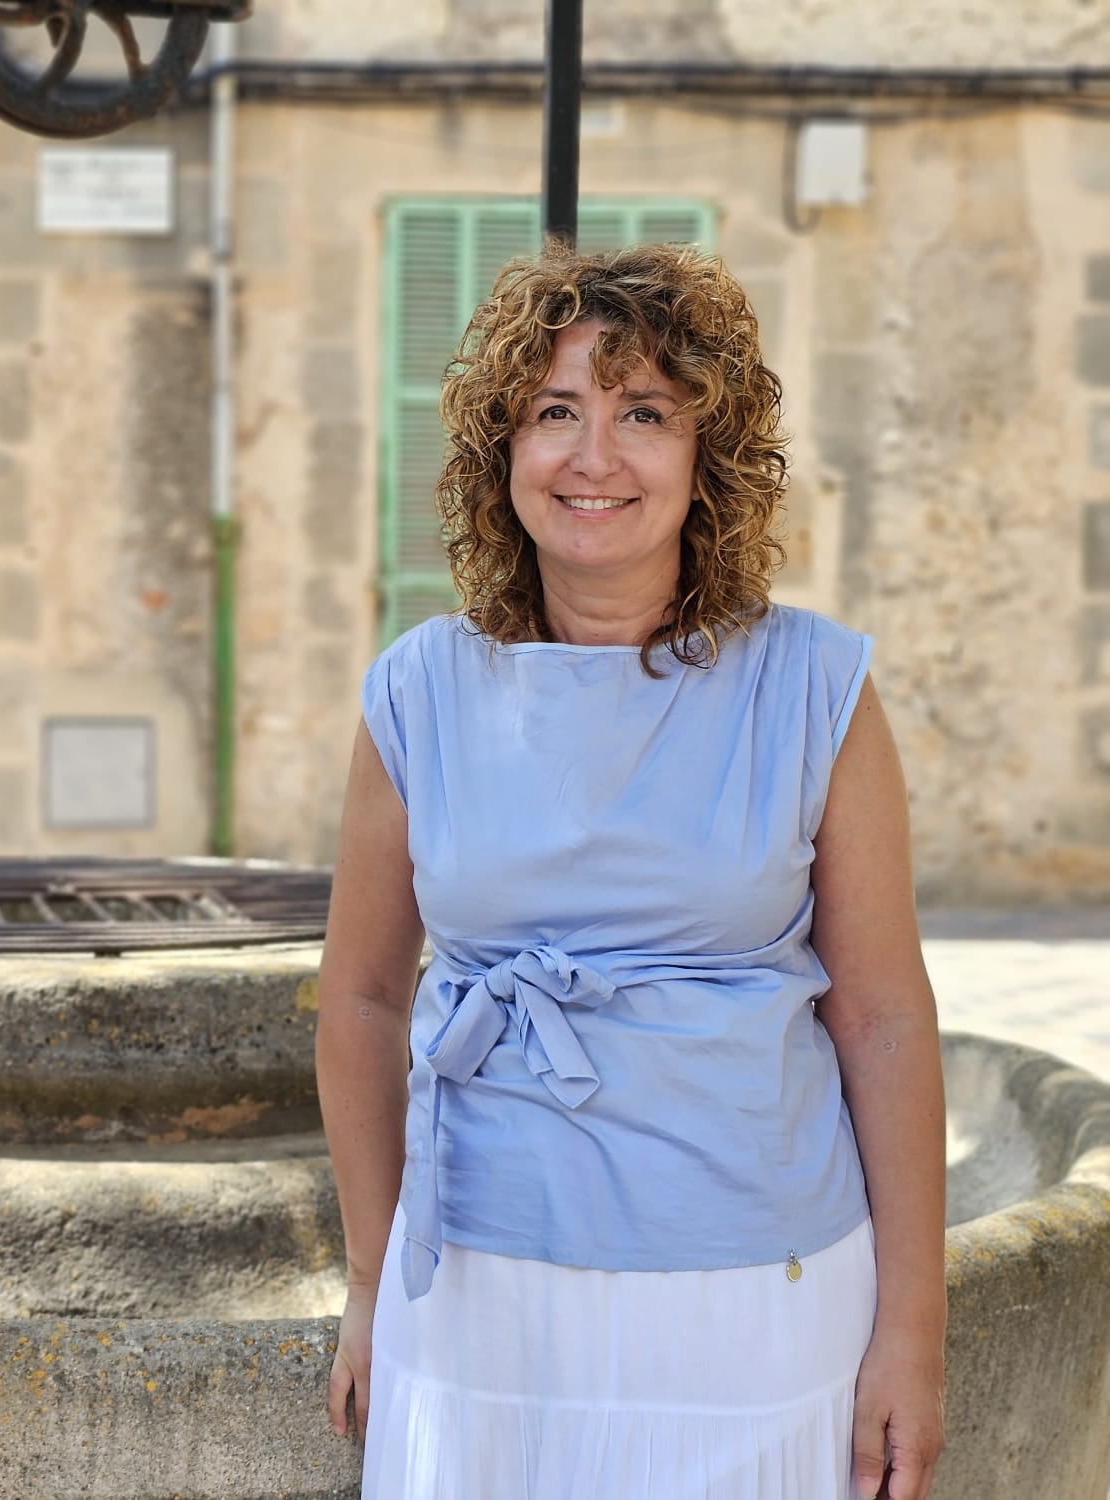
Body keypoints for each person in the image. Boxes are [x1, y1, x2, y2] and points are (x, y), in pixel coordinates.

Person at [316, 243, 947, 1500]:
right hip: (477, 1294)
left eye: (642, 414)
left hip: (756, 1303)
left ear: (705, 461)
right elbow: (361, 1001)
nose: (593, 456)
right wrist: (372, 1282)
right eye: (556, 411)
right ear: (503, 455)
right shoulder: (416, 690)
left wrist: (910, 1339)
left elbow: (879, 1018)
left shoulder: (813, 688)